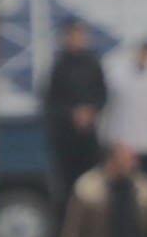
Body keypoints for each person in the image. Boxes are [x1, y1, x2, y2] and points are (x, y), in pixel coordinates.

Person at [41, 19, 110, 215]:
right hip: (65, 138)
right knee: (66, 187)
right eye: (75, 36)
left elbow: (102, 94)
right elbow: (51, 102)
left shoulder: (92, 63)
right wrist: (72, 114)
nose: (79, 40)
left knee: (93, 183)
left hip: (88, 137)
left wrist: (91, 111)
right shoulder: (60, 66)